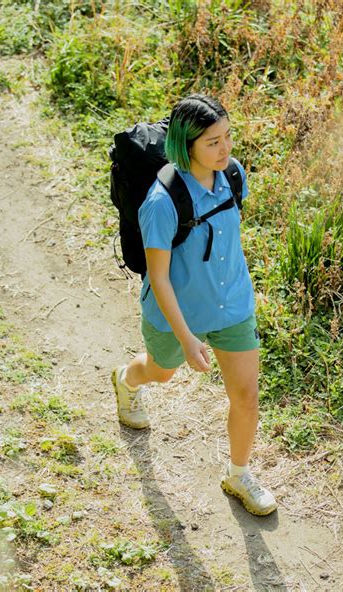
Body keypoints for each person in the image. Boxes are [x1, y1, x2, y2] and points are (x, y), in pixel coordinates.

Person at [111, 94, 277, 516]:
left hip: (232, 305)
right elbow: (159, 277)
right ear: (186, 146)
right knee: (160, 373)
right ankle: (127, 380)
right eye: (213, 142)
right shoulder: (161, 202)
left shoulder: (233, 175)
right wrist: (186, 340)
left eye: (227, 137)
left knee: (247, 396)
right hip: (176, 316)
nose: (225, 150)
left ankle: (238, 474)